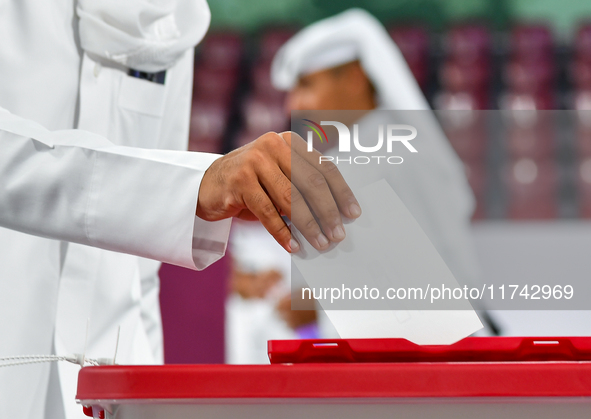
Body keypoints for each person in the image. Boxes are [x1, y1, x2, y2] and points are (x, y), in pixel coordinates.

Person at [0, 2, 360, 417]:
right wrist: (193, 185)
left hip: (117, 380)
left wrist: (147, 383)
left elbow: (140, 272)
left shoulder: (175, 13)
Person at [271, 8, 491, 337]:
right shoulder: (377, 150)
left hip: (429, 363)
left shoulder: (384, 157)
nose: (294, 106)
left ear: (355, 78)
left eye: (306, 84)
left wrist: (295, 298)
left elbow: (408, 282)